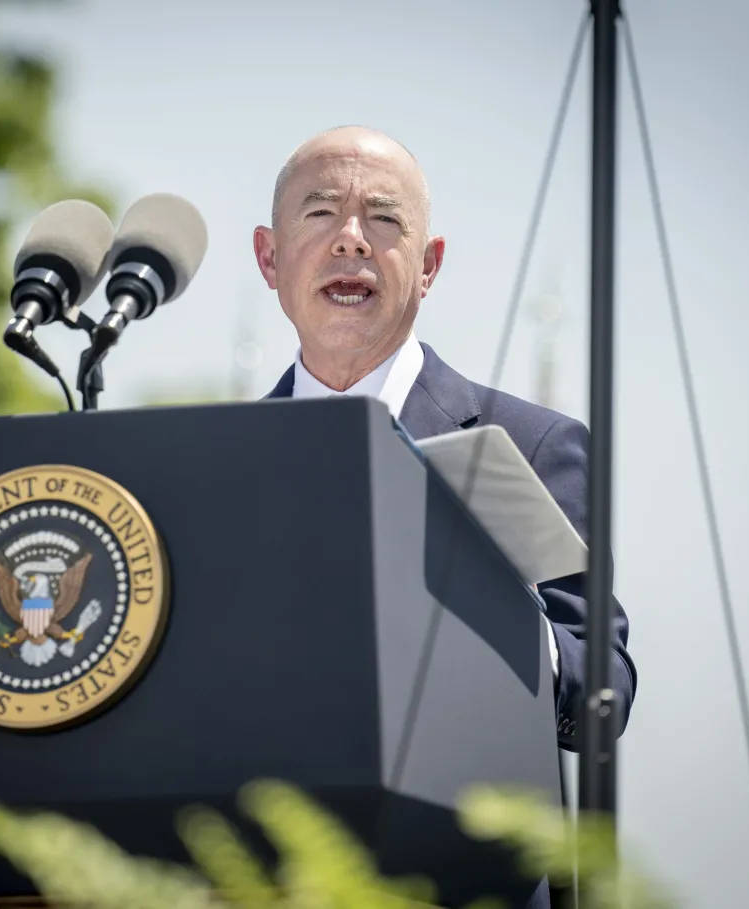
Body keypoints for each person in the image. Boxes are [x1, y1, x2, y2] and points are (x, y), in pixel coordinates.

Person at [254, 125, 636, 760]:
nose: (351, 237)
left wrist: (497, 611)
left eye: (382, 219)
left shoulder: (526, 446)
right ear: (270, 259)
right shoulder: (228, 461)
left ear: (427, 265)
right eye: (321, 212)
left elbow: (602, 696)